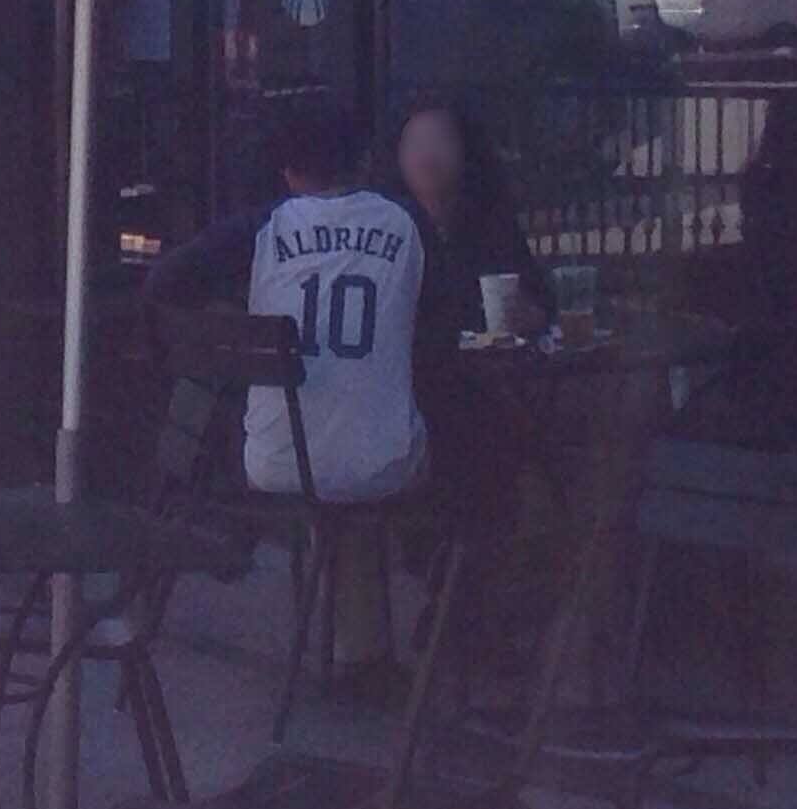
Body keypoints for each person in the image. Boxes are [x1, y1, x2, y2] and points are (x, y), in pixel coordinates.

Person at [145, 96, 428, 502]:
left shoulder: (262, 227)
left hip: (273, 465)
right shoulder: (405, 222)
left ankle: (325, 557)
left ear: (290, 175)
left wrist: (232, 308)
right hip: (383, 470)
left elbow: (166, 279)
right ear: (365, 163)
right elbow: (449, 318)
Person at [394, 97, 554, 527]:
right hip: (412, 396)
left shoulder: (490, 224)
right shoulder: (390, 231)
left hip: (487, 383)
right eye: (414, 142)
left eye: (440, 140)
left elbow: (540, 304)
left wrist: (528, 313)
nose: (427, 154)